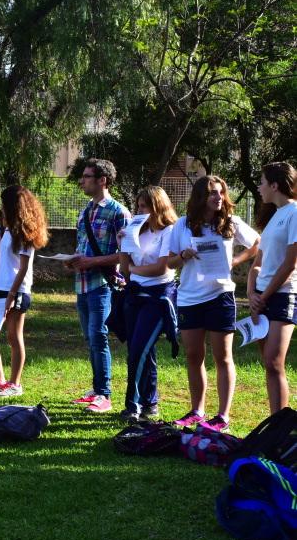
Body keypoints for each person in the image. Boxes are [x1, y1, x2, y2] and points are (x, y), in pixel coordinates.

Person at [167, 176, 259, 432]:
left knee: (223, 357)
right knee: (194, 356)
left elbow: (256, 244)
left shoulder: (231, 222)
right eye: (212, 194)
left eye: (220, 193)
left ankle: (222, 416)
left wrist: (236, 261)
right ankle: (197, 411)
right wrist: (183, 256)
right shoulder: (182, 225)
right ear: (200, 198)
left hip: (221, 297)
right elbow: (169, 262)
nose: (218, 197)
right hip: (189, 298)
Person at [66, 159, 131, 413]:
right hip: (81, 283)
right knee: (89, 338)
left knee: (98, 337)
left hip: (103, 285)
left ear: (102, 180)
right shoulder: (85, 211)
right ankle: (96, 389)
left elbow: (126, 254)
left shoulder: (118, 212)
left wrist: (91, 261)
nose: (81, 181)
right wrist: (71, 260)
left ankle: (104, 394)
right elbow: (82, 247)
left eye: (86, 176)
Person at [118, 186, 179, 421]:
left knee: (138, 350)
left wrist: (133, 269)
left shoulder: (169, 231)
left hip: (158, 297)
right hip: (135, 295)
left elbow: (161, 268)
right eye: (138, 206)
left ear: (157, 207)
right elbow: (124, 269)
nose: (139, 211)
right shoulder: (138, 232)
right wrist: (122, 242)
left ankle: (132, 406)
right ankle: (150, 402)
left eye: (144, 206)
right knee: (142, 349)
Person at [0, 185, 49, 397]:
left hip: (17, 291)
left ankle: (15, 384)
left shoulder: (26, 234)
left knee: (13, 337)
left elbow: (22, 269)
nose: (2, 207)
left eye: (4, 203)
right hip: (1, 289)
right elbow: (3, 258)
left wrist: (12, 295)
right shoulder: (9, 231)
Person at [247, 162, 297, 414]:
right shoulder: (273, 217)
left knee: (274, 361)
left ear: (275, 185)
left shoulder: (295, 212)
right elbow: (258, 264)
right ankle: (274, 422)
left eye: (262, 182)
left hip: (283, 296)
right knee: (268, 364)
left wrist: (262, 297)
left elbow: (290, 264)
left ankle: (281, 427)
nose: (259, 187)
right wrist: (251, 294)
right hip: (262, 298)